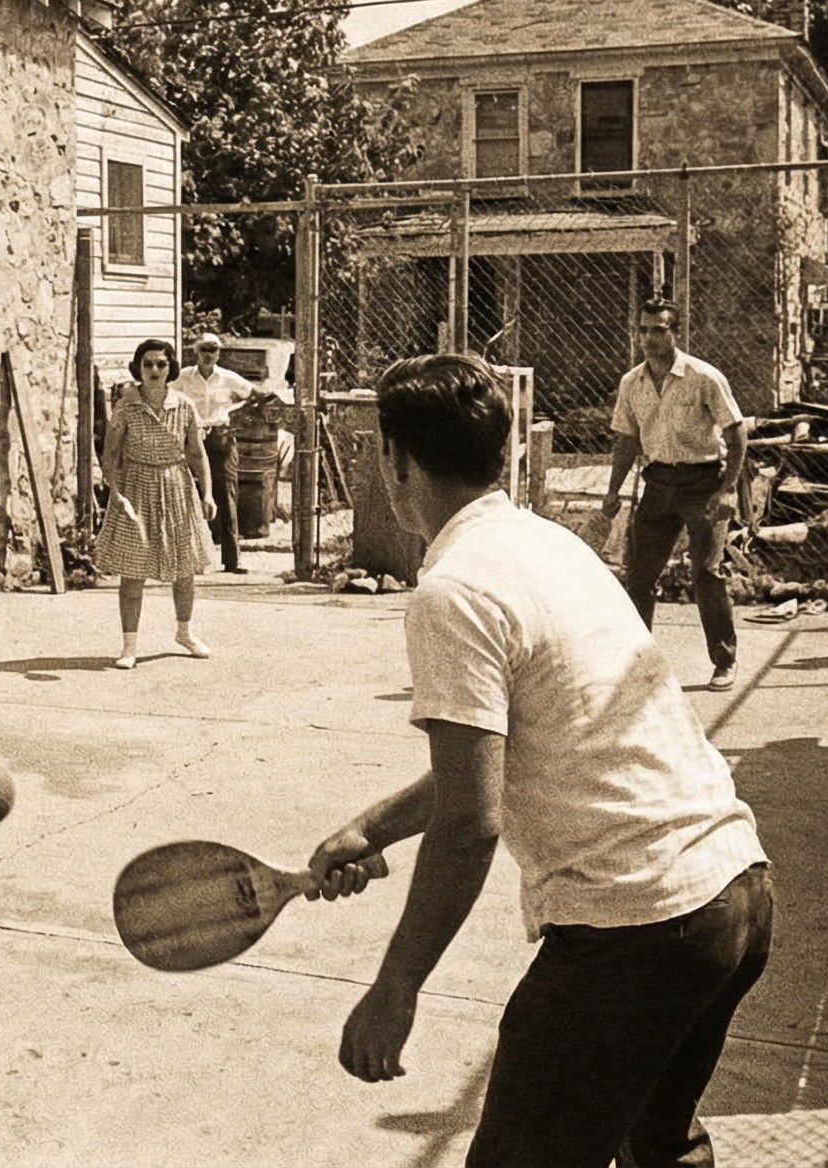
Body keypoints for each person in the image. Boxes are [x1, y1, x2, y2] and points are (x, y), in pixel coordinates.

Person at [308, 353, 771, 1168]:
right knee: (656, 1143)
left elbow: (468, 822)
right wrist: (370, 827)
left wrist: (396, 987)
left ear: (396, 463)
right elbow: (501, 756)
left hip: (639, 928)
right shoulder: (545, 542)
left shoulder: (451, 594)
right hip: (736, 893)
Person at [603, 298, 747, 691]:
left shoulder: (704, 377)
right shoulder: (631, 383)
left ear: (676, 332)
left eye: (659, 330)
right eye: (643, 330)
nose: (649, 338)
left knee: (707, 574)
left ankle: (724, 661)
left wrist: (728, 489)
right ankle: (638, 664)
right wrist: (613, 491)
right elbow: (626, 440)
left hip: (704, 484)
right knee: (639, 577)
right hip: (658, 484)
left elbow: (736, 434)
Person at [95, 337, 219, 669]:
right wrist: (116, 492)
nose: (154, 370)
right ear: (138, 367)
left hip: (177, 488)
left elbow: (196, 453)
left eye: (161, 364)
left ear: (171, 367)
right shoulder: (126, 405)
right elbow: (110, 455)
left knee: (185, 568)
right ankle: (129, 646)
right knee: (132, 573)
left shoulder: (184, 405)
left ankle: (185, 632)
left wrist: (207, 494)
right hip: (136, 489)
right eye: (147, 364)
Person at [175, 333, 256, 573]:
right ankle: (188, 556)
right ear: (195, 352)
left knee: (227, 494)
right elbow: (164, 394)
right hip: (192, 437)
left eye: (213, 350)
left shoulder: (228, 378)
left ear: (219, 353)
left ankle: (233, 559)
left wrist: (237, 415)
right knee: (187, 492)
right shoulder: (182, 377)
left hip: (221, 436)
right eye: (204, 349)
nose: (208, 355)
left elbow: (254, 395)